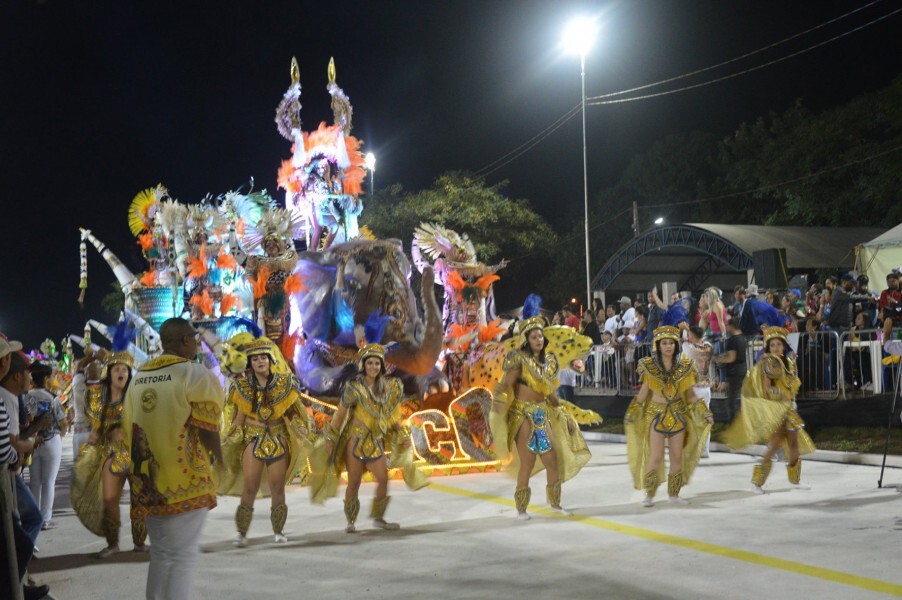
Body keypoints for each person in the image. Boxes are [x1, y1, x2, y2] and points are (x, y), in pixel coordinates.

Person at [123, 318, 223, 600]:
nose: (197, 343)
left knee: (162, 554)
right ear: (184, 341)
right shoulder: (194, 373)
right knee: (183, 557)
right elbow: (208, 428)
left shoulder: (139, 377)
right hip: (184, 480)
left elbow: (128, 426)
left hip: (148, 482)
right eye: (194, 338)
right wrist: (223, 460)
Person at [313, 339, 427, 531]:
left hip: (374, 441)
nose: (373, 366)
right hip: (354, 440)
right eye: (369, 363)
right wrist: (331, 438)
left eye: (376, 363)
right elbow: (340, 415)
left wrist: (403, 434)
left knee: (383, 479)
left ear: (381, 366)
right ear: (363, 365)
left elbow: (392, 417)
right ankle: (351, 521)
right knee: (354, 482)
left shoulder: (387, 390)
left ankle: (378, 518)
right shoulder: (354, 388)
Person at [490, 311, 591, 519]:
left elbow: (551, 395)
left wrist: (565, 417)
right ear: (526, 340)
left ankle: (555, 504)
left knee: (552, 459)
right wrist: (497, 410)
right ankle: (521, 509)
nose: (539, 339)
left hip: (541, 415)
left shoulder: (548, 363)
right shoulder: (518, 360)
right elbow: (504, 387)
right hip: (522, 413)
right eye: (534, 337)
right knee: (527, 462)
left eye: (540, 336)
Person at [220, 337, 312, 546]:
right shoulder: (242, 387)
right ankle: (242, 534)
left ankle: (278, 531)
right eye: (255, 359)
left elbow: (291, 414)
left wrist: (304, 432)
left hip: (278, 437)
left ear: (270, 361)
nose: (260, 362)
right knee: (250, 487)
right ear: (250, 364)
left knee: (278, 487)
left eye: (264, 358)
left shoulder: (283, 385)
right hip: (253, 437)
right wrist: (228, 436)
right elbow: (239, 419)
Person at [71, 348, 148, 557]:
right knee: (109, 500)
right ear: (110, 374)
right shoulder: (99, 403)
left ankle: (140, 543)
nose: (121, 372)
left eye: (125, 369)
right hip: (111, 455)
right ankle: (113, 544)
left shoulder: (137, 399)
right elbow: (96, 429)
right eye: (117, 370)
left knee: (139, 499)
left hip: (136, 456)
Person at [624, 326, 713, 507]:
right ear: (658, 345)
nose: (668, 346)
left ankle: (674, 494)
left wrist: (705, 412)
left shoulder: (685, 368)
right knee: (655, 457)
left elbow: (691, 396)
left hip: (678, 414)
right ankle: (649, 494)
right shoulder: (649, 367)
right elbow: (642, 395)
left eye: (671, 343)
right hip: (656, 414)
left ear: (676, 345)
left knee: (677, 456)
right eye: (664, 343)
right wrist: (631, 412)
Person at [722, 326, 815, 493]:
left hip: (790, 411)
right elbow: (767, 390)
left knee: (794, 445)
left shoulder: (790, 362)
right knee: (773, 446)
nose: (776, 348)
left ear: (784, 345)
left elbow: (792, 385)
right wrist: (782, 395)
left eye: (779, 344)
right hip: (777, 411)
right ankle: (757, 483)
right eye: (772, 345)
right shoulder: (769, 363)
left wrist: (790, 397)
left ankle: (795, 481)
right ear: (768, 347)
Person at [22, 362, 68, 529]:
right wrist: (62, 434)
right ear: (47, 378)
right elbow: (63, 422)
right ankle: (45, 519)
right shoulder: (52, 398)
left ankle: (34, 518)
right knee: (48, 482)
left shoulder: (26, 396)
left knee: (34, 481)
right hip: (51, 442)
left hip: (31, 443)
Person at [682, 326, 713, 457]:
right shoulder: (708, 346)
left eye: (690, 334)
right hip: (705, 388)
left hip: (696, 388)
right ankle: (703, 449)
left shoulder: (688, 347)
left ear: (693, 336)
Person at [714, 318, 747, 422]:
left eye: (728, 325)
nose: (727, 328)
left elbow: (731, 358)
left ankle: (732, 424)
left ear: (732, 326)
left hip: (734, 372)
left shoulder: (732, 340)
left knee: (731, 400)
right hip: (742, 370)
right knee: (736, 397)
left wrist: (718, 359)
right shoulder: (743, 338)